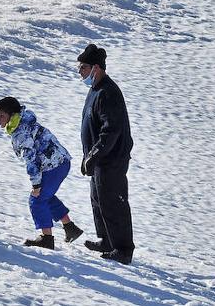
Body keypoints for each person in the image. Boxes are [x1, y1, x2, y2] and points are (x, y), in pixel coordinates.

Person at [0, 96, 83, 248]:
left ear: (11, 115)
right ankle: (70, 228)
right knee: (46, 197)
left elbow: (31, 159)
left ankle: (46, 239)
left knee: (37, 199)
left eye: (1, 115)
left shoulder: (21, 132)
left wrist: (36, 184)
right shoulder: (22, 123)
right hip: (60, 163)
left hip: (53, 166)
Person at [78, 43, 134, 264]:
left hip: (111, 160)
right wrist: (89, 155)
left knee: (113, 202)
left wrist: (95, 154)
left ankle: (123, 249)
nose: (80, 72)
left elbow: (110, 130)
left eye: (83, 67)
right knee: (98, 200)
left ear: (96, 68)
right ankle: (107, 240)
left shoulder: (108, 92)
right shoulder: (96, 90)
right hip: (99, 159)